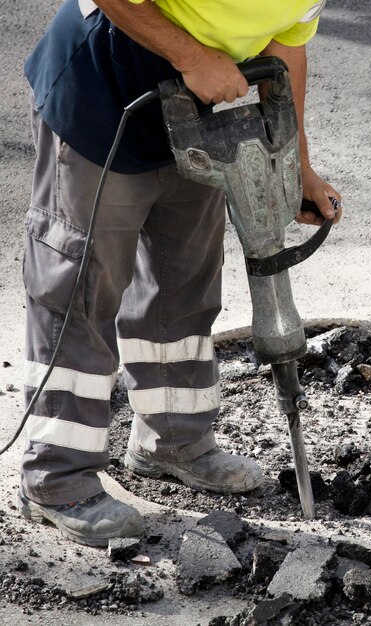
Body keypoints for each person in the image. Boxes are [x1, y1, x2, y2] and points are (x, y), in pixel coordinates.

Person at [18, 0, 342, 547]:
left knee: (183, 280)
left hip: (193, 114)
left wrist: (297, 166)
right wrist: (192, 56)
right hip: (104, 90)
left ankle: (172, 441)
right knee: (81, 291)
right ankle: (56, 476)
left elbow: (286, 45)